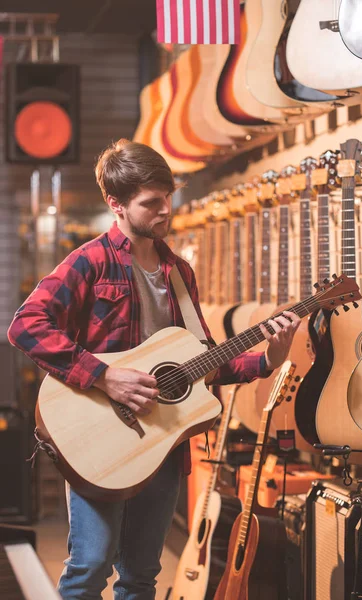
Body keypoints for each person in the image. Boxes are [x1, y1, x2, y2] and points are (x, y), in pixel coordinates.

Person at [8, 139, 301, 600]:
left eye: (168, 198)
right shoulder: (91, 261)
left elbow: (200, 364)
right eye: (151, 203)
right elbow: (26, 326)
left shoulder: (179, 274)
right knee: (89, 568)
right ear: (116, 204)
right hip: (101, 442)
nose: (165, 211)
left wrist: (268, 358)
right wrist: (104, 376)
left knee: (141, 577)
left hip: (164, 442)